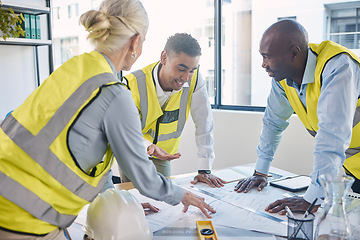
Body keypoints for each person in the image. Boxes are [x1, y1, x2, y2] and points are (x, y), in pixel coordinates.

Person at [0, 0, 215, 239]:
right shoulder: (114, 92)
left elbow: (86, 154)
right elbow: (146, 180)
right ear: (135, 41)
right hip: (22, 215)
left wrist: (120, 204)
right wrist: (184, 195)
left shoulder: (74, 67)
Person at [234, 19, 360, 215]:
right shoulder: (282, 78)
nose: (263, 64)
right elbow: (273, 123)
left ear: (294, 53)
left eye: (267, 56)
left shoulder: (337, 66)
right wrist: (261, 171)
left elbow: (331, 134)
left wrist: (313, 197)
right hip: (350, 167)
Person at [121, 33, 226, 188]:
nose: (185, 77)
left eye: (191, 70)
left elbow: (204, 123)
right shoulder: (132, 84)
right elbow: (123, 131)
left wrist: (205, 169)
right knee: (137, 200)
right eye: (181, 69)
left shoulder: (195, 80)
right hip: (133, 151)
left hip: (164, 155)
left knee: (164, 199)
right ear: (164, 58)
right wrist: (147, 146)